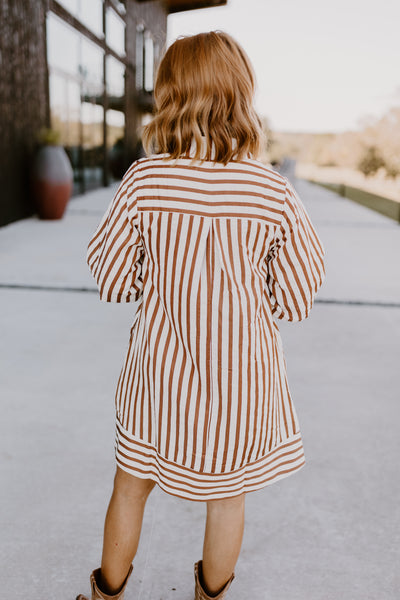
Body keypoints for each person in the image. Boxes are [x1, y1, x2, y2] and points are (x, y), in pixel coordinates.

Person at [77, 31, 325, 600]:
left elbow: (114, 281)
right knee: (227, 496)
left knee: (130, 485)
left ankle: (105, 593)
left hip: (158, 377)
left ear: (169, 95)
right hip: (240, 381)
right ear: (241, 94)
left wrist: (159, 279)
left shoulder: (145, 181)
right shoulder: (271, 192)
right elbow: (296, 296)